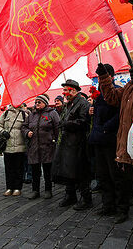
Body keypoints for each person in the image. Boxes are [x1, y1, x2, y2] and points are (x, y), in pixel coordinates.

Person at [91, 63, 133, 224]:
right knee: (103, 175)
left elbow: (120, 115)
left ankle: (122, 208)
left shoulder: (117, 91)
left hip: (111, 139)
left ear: (111, 77)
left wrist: (105, 129)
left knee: (117, 176)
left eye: (103, 76)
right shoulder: (98, 95)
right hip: (99, 140)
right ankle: (107, 204)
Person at [52, 79, 92, 210]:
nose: (63, 93)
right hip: (67, 142)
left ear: (73, 90)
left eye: (65, 90)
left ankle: (86, 199)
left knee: (80, 171)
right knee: (67, 170)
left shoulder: (83, 103)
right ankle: (70, 195)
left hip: (78, 143)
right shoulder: (69, 104)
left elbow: (83, 122)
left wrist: (67, 124)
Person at [21, 94, 59, 199]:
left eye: (39, 102)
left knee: (47, 170)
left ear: (45, 103)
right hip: (34, 147)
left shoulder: (52, 113)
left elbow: (58, 128)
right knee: (35, 171)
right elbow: (23, 127)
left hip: (47, 147)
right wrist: (27, 132)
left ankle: (48, 190)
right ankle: (35, 190)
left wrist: (55, 140)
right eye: (36, 102)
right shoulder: (32, 115)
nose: (37, 104)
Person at [0, 104, 27, 197]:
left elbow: (27, 127)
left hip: (20, 147)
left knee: (19, 168)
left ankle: (18, 188)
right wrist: (3, 132)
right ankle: (9, 187)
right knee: (9, 168)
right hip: (8, 146)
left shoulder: (24, 114)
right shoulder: (5, 113)